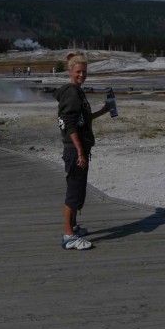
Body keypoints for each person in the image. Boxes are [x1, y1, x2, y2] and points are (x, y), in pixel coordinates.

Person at [55, 52, 114, 250]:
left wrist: (103, 110)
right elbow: (70, 125)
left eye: (84, 72)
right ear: (70, 71)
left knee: (78, 190)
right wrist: (80, 152)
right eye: (78, 71)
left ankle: (72, 227)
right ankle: (68, 235)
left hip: (78, 149)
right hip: (74, 151)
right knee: (73, 192)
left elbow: (82, 121)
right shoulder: (71, 93)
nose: (82, 75)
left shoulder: (77, 92)